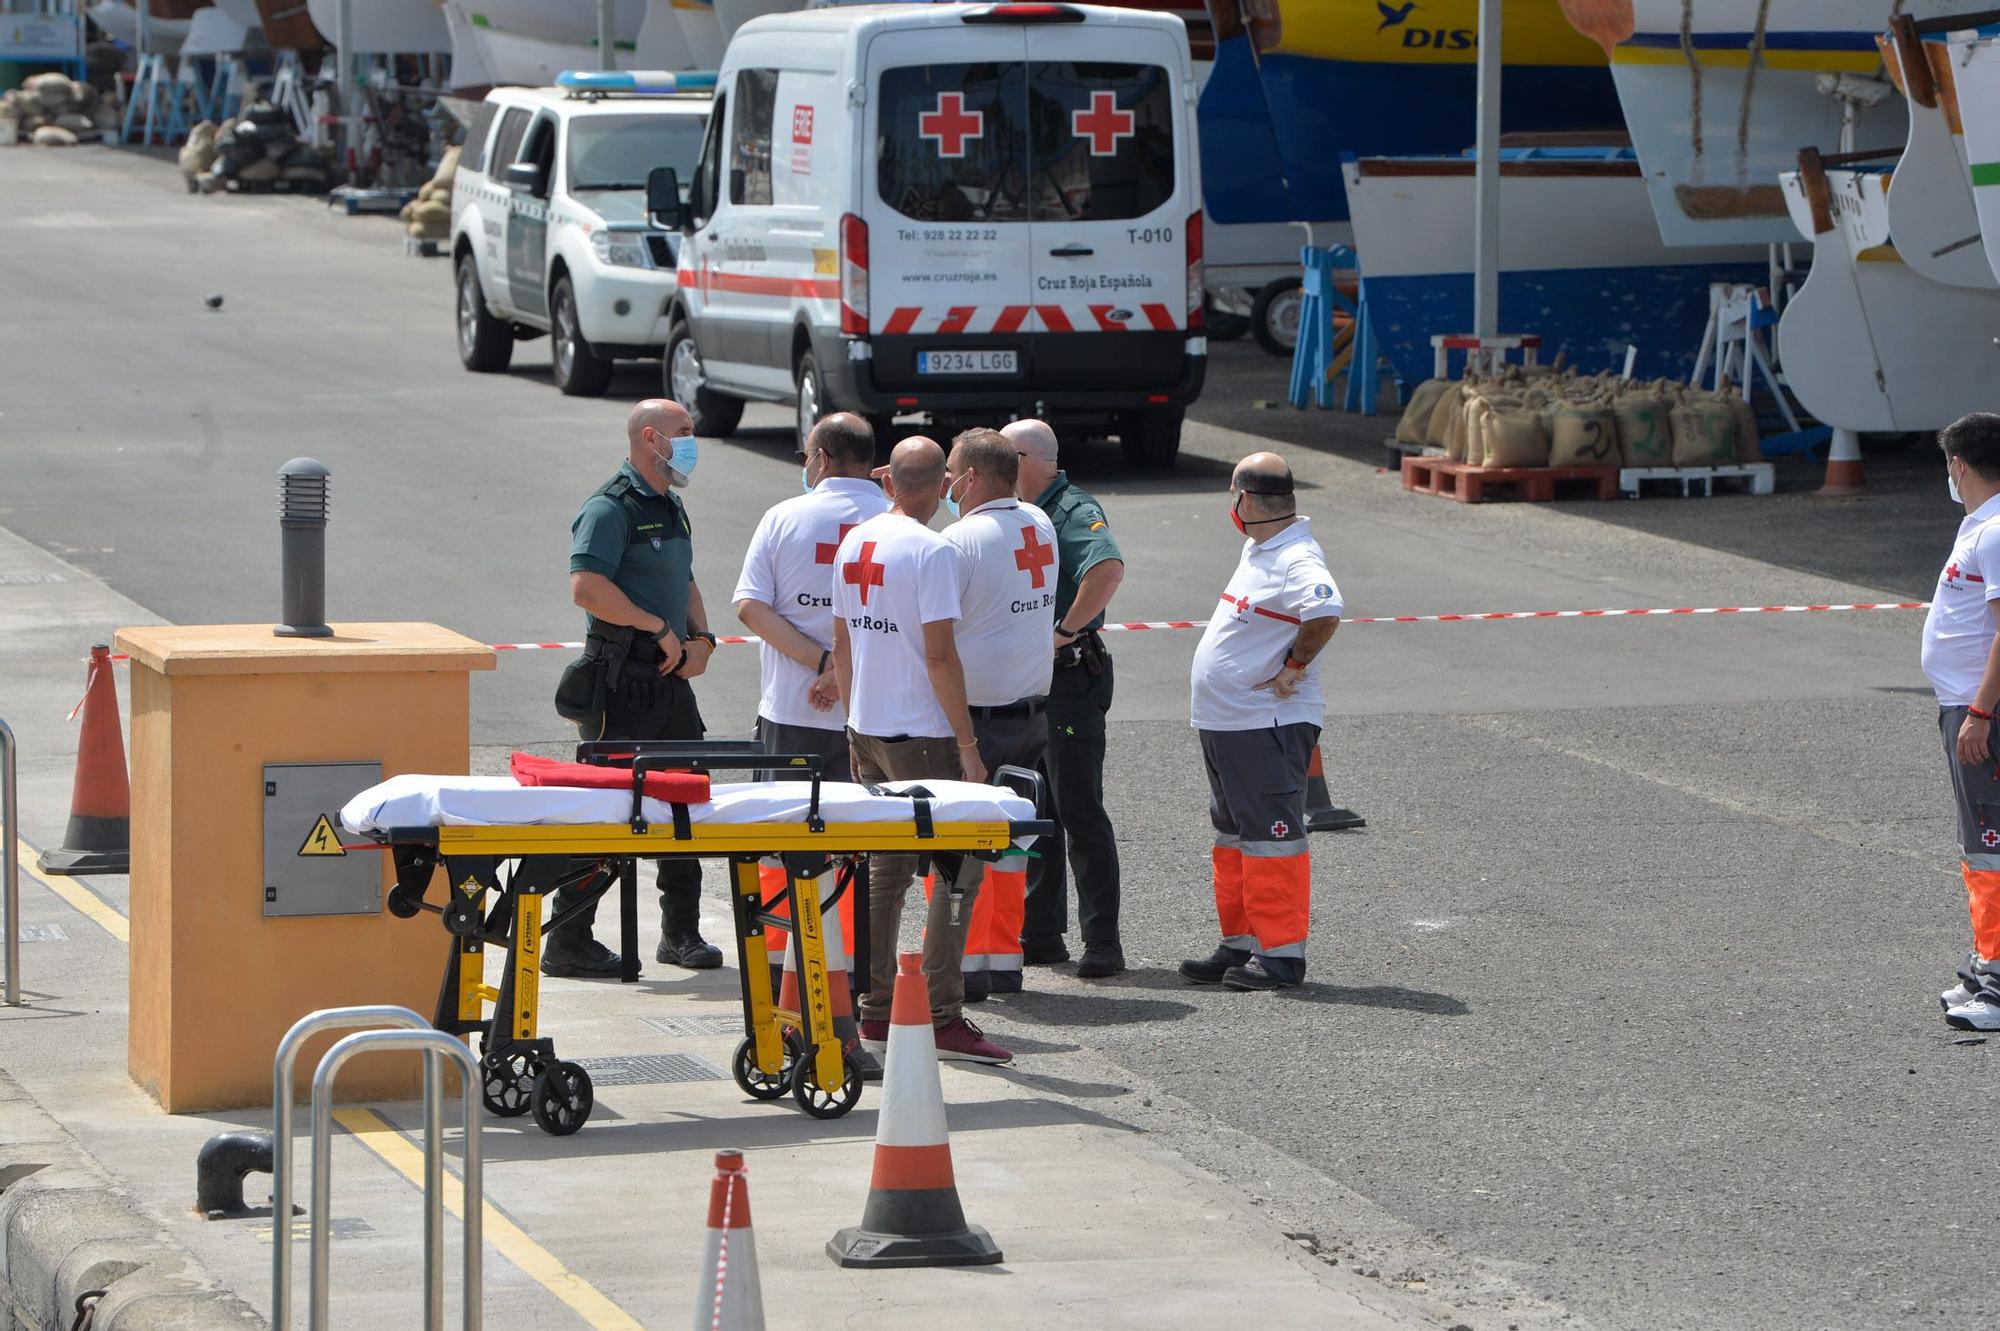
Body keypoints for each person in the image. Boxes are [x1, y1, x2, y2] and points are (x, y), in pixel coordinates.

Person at [831, 437, 1012, 1064]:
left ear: (889, 481)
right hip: (923, 735)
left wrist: (854, 725)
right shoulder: (932, 551)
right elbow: (939, 656)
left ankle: (877, 1009)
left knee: (885, 875)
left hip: (871, 727)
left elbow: (846, 642)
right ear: (945, 485)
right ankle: (939, 1013)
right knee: (957, 873)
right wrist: (968, 745)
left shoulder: (857, 540)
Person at [543, 398, 723, 978]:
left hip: (670, 679)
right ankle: (568, 940)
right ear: (652, 438)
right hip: (622, 682)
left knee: (685, 801)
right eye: (684, 432)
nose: (692, 441)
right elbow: (587, 588)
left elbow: (685, 578)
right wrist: (656, 628)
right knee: (605, 812)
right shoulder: (609, 508)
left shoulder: (669, 505)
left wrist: (701, 638)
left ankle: (682, 934)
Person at [1180, 452, 1341, 992]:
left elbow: (1324, 611)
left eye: (1233, 496)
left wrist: (1294, 667)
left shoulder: (1296, 557)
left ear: (1246, 500)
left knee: (1272, 838)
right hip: (1230, 723)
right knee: (1233, 837)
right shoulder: (1262, 546)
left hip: (1263, 723)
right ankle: (1241, 944)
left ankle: (1280, 957)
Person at [1003, 419, 1128, 979]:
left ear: (1030, 458)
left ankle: (1102, 940)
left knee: (1079, 811)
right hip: (1031, 683)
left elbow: (1106, 570)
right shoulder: (1015, 509)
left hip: (1069, 680)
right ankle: (1042, 932)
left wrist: (1065, 632)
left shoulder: (1073, 510)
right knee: (1038, 808)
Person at [941, 428, 1057, 999]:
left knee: (963, 845)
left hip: (979, 721)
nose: (946, 483)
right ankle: (1001, 960)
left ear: (972, 478)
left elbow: (935, 634)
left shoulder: (960, 539)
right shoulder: (1040, 525)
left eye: (952, 471)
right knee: (1010, 845)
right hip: (1030, 712)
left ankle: (963, 966)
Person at [733, 412, 890, 777]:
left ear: (821, 459)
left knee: (788, 829)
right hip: (875, 714)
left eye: (804, 457)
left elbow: (751, 607)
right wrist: (843, 672)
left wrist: (825, 665)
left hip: (792, 710)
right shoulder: (896, 523)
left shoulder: (782, 518)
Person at [1925, 415, 2000, 1030]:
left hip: (1983, 713)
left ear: (1960, 465)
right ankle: (1985, 964)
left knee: (1992, 847)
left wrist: (1979, 712)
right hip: (1965, 708)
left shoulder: (1996, 530)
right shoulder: (1979, 526)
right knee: (1978, 844)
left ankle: (1998, 983)